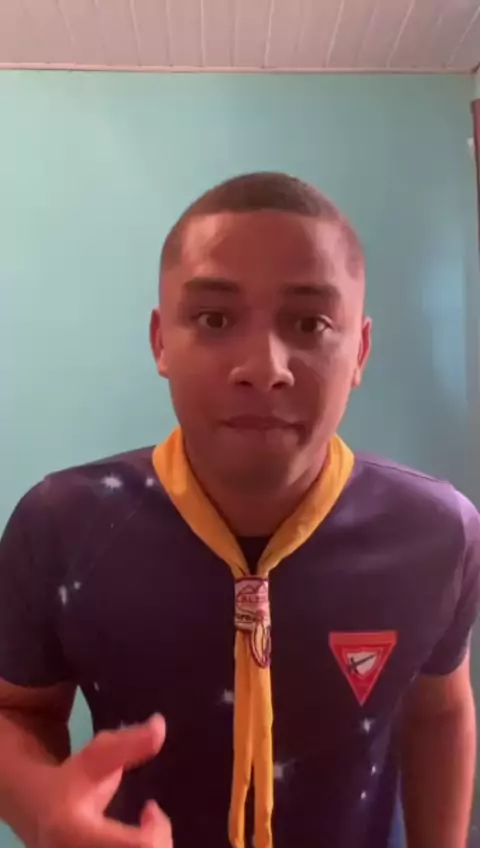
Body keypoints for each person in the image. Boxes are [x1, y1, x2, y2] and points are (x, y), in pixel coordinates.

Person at [0, 171, 478, 848]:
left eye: (309, 323)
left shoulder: (438, 533)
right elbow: (16, 708)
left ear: (360, 351)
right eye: (215, 319)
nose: (263, 366)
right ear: (161, 341)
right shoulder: (61, 526)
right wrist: (37, 808)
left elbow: (440, 711)